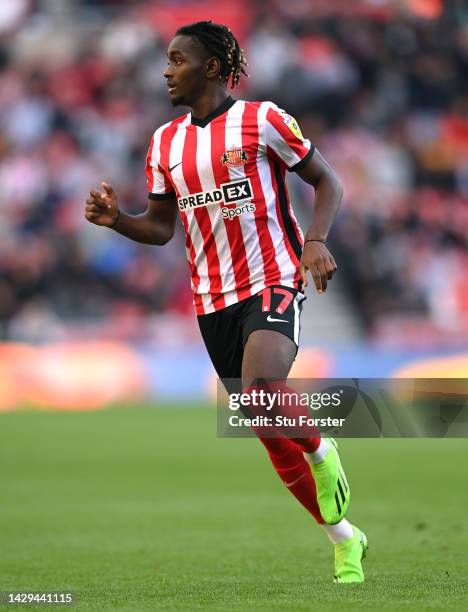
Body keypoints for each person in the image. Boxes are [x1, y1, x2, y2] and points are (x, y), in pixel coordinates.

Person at [85, 20, 367, 583]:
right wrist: (117, 221)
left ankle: (320, 447)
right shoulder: (165, 143)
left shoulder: (262, 120)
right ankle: (344, 538)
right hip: (211, 298)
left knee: (264, 388)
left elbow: (327, 181)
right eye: (166, 60)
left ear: (211, 67)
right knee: (263, 422)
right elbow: (163, 228)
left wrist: (314, 242)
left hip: (273, 277)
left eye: (177, 59)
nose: (166, 70)